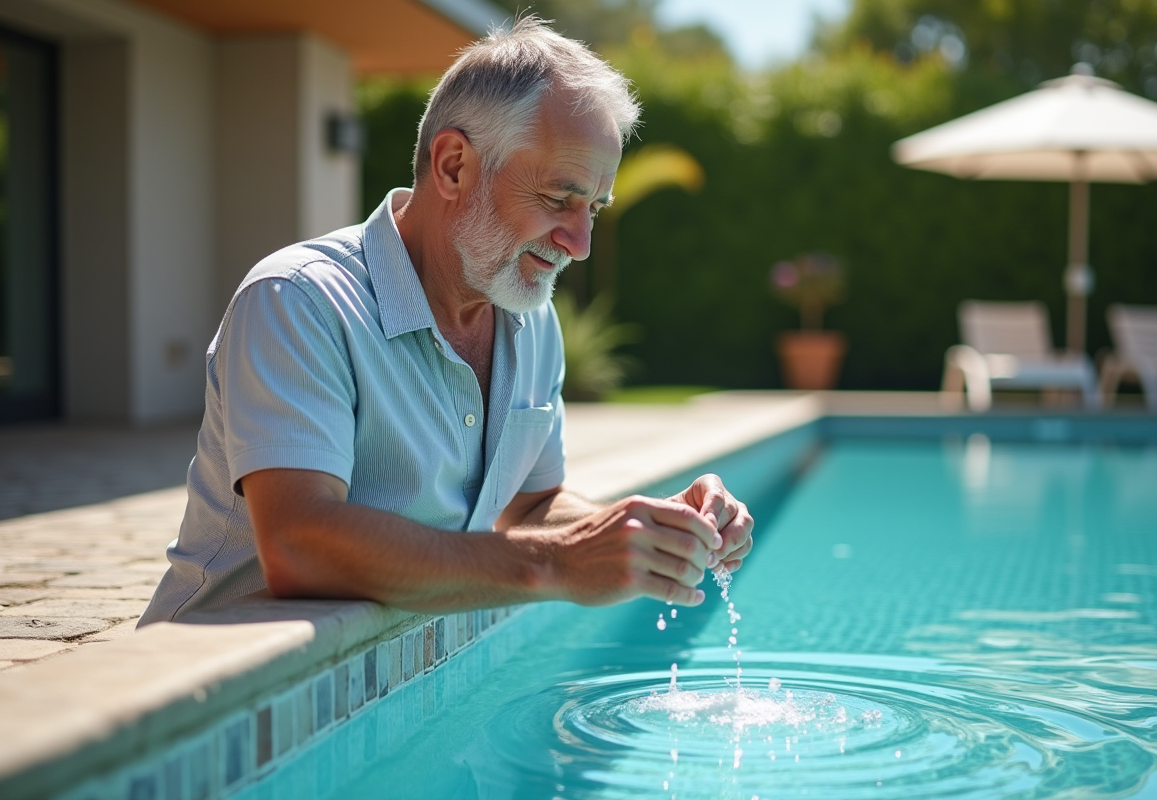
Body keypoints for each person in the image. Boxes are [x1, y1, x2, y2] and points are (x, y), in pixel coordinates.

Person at [139, 17, 752, 626]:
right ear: (455, 165)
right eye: (558, 197)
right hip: (220, 702)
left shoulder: (529, 319)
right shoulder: (301, 301)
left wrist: (653, 530)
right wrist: (556, 565)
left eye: (593, 207)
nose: (581, 242)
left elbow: (531, 506)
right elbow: (299, 547)